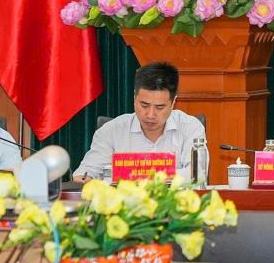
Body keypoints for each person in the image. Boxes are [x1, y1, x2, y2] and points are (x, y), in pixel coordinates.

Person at [73, 61, 205, 180]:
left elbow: (197, 174)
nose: (150, 114)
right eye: (144, 105)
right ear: (134, 97)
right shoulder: (111, 131)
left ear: (173, 102)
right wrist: (85, 179)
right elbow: (85, 173)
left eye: (160, 107)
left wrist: (138, 173)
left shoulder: (190, 127)